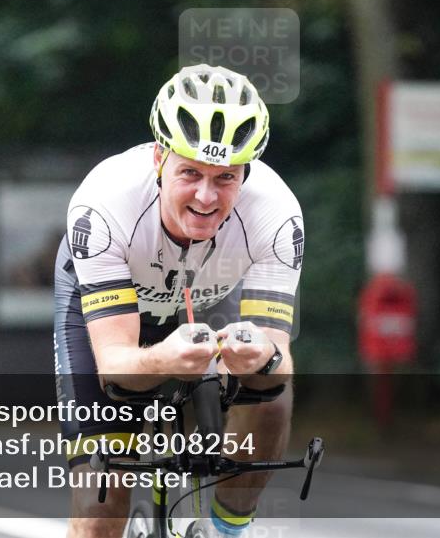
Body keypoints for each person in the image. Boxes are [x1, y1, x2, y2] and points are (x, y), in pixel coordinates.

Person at [54, 64, 304, 537]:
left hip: (211, 302)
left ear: (246, 172)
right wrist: (165, 358)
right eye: (190, 172)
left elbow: (279, 355)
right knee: (99, 501)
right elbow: (115, 367)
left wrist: (261, 358)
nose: (206, 197)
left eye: (226, 178)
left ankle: (231, 528)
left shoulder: (276, 214)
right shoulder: (104, 204)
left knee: (272, 394)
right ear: (158, 158)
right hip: (115, 323)